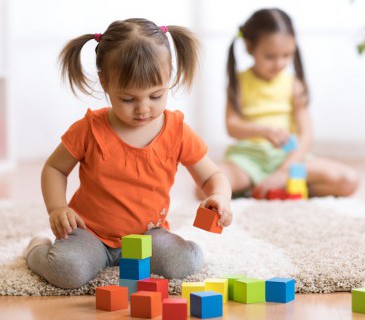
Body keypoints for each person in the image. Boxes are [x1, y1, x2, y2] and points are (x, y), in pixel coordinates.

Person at [24, 18, 233, 289]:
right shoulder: (89, 129)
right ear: (105, 82)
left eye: (156, 96)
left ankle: (157, 254)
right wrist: (57, 208)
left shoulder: (177, 131)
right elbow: (54, 168)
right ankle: (35, 249)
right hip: (91, 235)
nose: (143, 108)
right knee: (67, 271)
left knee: (183, 263)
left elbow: (212, 175)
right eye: (128, 99)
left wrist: (220, 196)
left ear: (168, 76)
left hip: (148, 236)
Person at [221, 8, 359, 199]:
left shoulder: (295, 85)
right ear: (250, 47)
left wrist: (285, 171)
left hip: (290, 162)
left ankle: (282, 188)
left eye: (287, 55)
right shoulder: (239, 83)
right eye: (270, 56)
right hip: (248, 161)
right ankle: (259, 185)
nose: (279, 63)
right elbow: (232, 126)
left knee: (348, 180)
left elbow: (306, 135)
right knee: (208, 186)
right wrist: (264, 131)